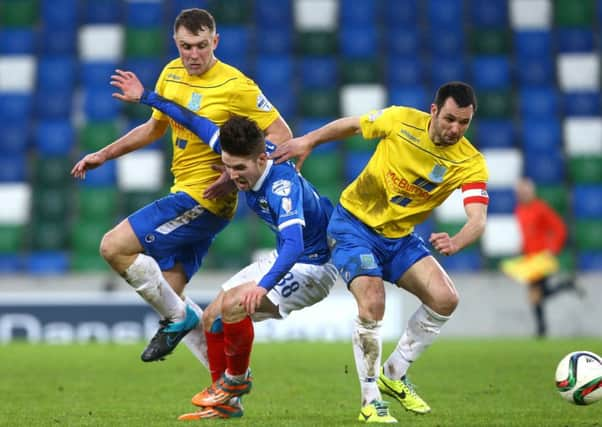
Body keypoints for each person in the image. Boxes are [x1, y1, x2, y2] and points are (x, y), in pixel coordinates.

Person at [109, 70, 338, 420]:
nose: (233, 175)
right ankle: (224, 404)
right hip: (289, 255)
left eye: (239, 169)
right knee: (213, 314)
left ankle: (234, 383)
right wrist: (147, 97)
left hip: (313, 265)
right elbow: (192, 119)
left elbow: (293, 246)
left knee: (234, 307)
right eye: (228, 167)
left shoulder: (281, 185)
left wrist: (261, 288)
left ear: (263, 159)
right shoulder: (240, 156)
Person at [70, 8, 292, 365]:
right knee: (168, 293)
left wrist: (235, 177)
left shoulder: (237, 86)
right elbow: (154, 128)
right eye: (185, 46)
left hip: (205, 199)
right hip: (185, 194)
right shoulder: (170, 74)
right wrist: (104, 154)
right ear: (176, 42)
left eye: (201, 46)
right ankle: (226, 390)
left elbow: (282, 137)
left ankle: (180, 319)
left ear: (215, 42)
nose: (193, 55)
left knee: (113, 247)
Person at [270, 82, 489, 423]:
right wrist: (309, 140)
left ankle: (395, 372)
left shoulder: (470, 161)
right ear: (434, 111)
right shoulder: (401, 120)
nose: (455, 129)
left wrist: (458, 240)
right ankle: (370, 399)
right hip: (353, 226)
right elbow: (353, 124)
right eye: (449, 119)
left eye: (464, 123)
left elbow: (477, 219)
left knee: (445, 299)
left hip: (399, 238)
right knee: (373, 301)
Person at [501, 177, 579, 338]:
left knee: (536, 294)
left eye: (524, 191)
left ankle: (541, 330)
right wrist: (520, 250)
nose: (522, 194)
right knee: (537, 294)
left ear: (531, 191)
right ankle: (565, 287)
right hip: (530, 259)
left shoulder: (541, 208)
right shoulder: (519, 210)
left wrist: (553, 248)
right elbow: (525, 234)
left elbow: (559, 227)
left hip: (541, 259)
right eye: (520, 192)